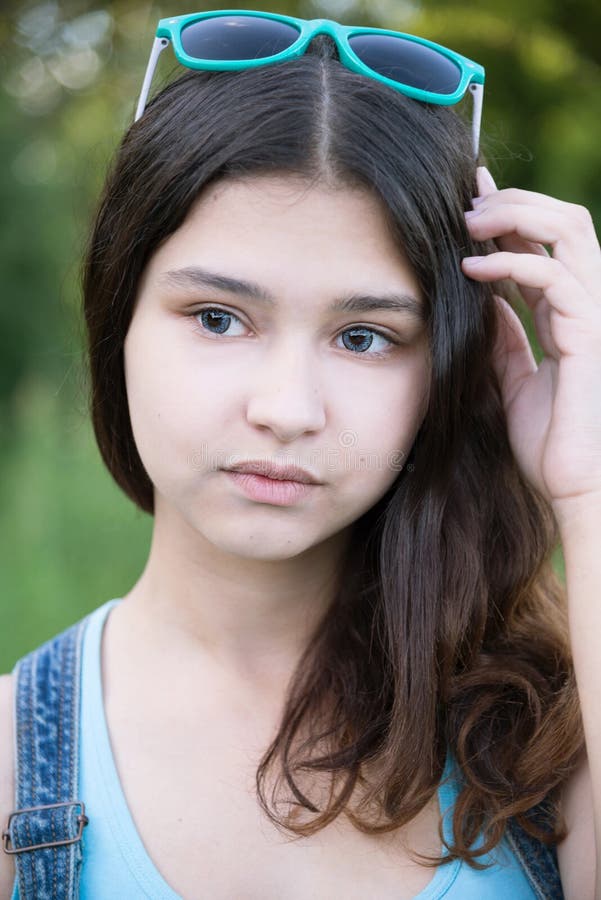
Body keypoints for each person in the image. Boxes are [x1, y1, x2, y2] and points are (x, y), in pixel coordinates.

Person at [1, 9, 600, 899]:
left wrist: (585, 496)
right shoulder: (15, 764)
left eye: (363, 337)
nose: (286, 409)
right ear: (115, 318)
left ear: (445, 363)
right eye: (217, 318)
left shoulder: (551, 736)